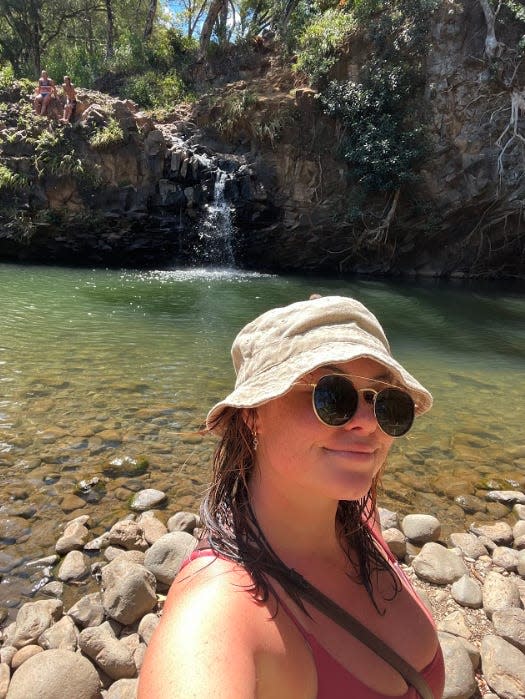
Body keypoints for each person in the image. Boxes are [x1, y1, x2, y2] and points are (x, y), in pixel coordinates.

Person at [138, 295, 445, 699]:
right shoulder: (213, 616)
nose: (368, 422)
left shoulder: (355, 515)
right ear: (252, 416)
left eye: (386, 401)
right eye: (332, 396)